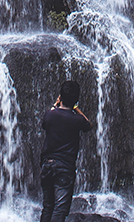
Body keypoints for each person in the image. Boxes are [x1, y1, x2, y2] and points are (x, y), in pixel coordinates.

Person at [40, 80, 93, 222]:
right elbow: (88, 124)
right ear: (76, 100)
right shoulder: (77, 120)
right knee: (59, 210)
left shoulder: (49, 115)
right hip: (64, 169)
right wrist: (76, 107)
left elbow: (45, 122)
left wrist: (56, 105)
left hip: (47, 166)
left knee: (48, 206)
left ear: (60, 97)